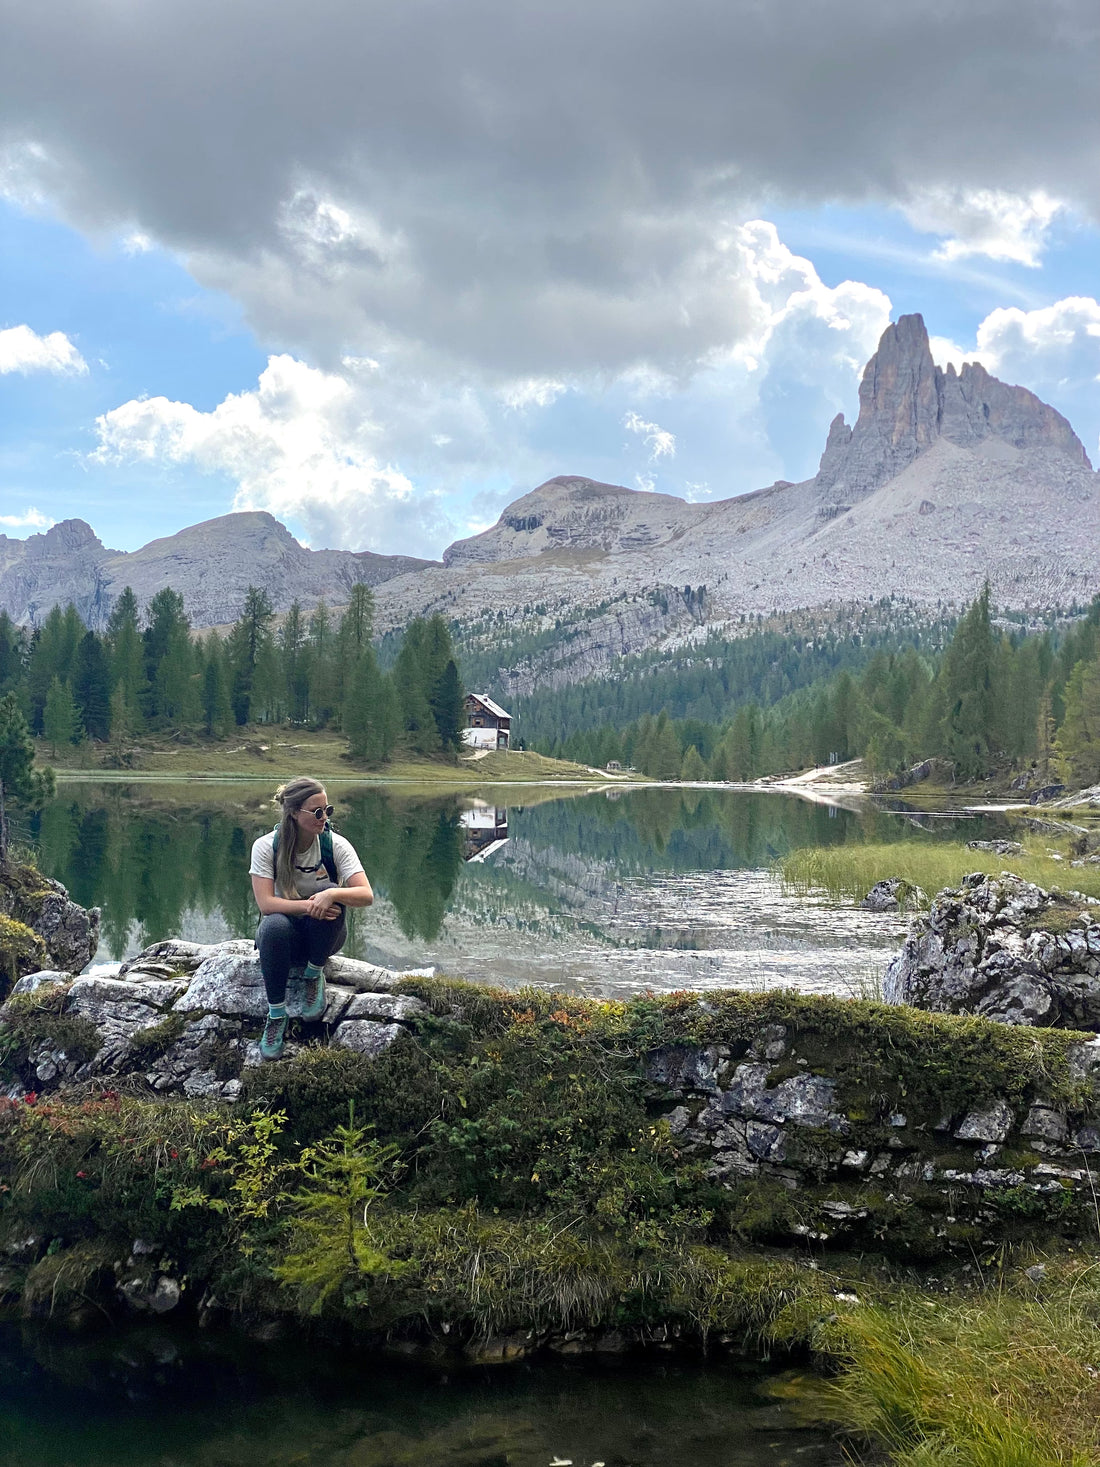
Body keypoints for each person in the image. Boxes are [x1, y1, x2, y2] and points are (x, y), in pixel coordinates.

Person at [249, 777, 373, 1060]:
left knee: (332, 893)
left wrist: (331, 896)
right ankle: (276, 1015)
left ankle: (313, 974)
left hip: (323, 939)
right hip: (282, 940)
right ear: (294, 812)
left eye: (327, 810)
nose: (324, 817)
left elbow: (366, 895)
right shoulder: (266, 846)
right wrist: (309, 905)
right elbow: (266, 904)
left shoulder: (335, 845)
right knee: (273, 924)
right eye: (316, 812)